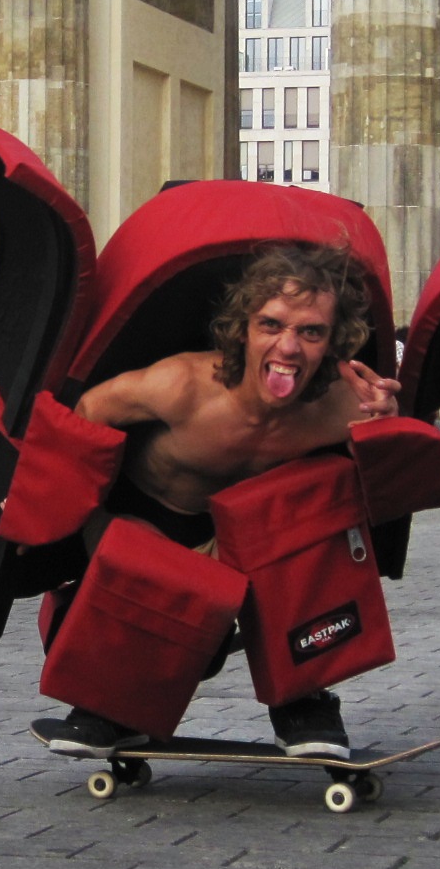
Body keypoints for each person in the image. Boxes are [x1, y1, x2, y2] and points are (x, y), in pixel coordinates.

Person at [41, 241, 401, 759]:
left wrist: (387, 425)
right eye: (271, 325)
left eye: (311, 332)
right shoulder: (181, 384)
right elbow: (85, 413)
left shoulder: (346, 405)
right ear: (243, 327)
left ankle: (304, 698)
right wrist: (79, 518)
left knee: (318, 516)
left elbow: (385, 485)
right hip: (149, 523)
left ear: (335, 342)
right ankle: (108, 704)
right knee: (147, 564)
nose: (289, 348)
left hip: (247, 538)